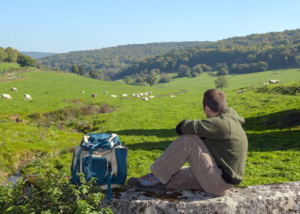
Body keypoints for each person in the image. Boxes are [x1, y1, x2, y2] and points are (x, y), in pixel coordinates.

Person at [128, 89, 248, 196]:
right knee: (169, 178)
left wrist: (195, 133)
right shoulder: (231, 121)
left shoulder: (223, 124)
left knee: (188, 140)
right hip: (219, 177)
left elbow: (182, 127)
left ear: (207, 108)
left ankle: (155, 178)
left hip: (219, 183)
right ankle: (153, 182)